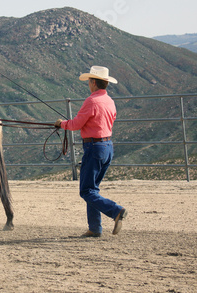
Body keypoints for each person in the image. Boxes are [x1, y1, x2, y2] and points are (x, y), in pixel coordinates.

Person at [55, 66, 127, 237]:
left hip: (94, 148)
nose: (88, 84)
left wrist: (61, 123)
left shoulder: (91, 101)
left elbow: (75, 124)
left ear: (93, 82)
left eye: (89, 81)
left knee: (86, 191)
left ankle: (115, 211)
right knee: (92, 190)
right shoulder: (109, 101)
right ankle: (95, 228)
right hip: (107, 146)